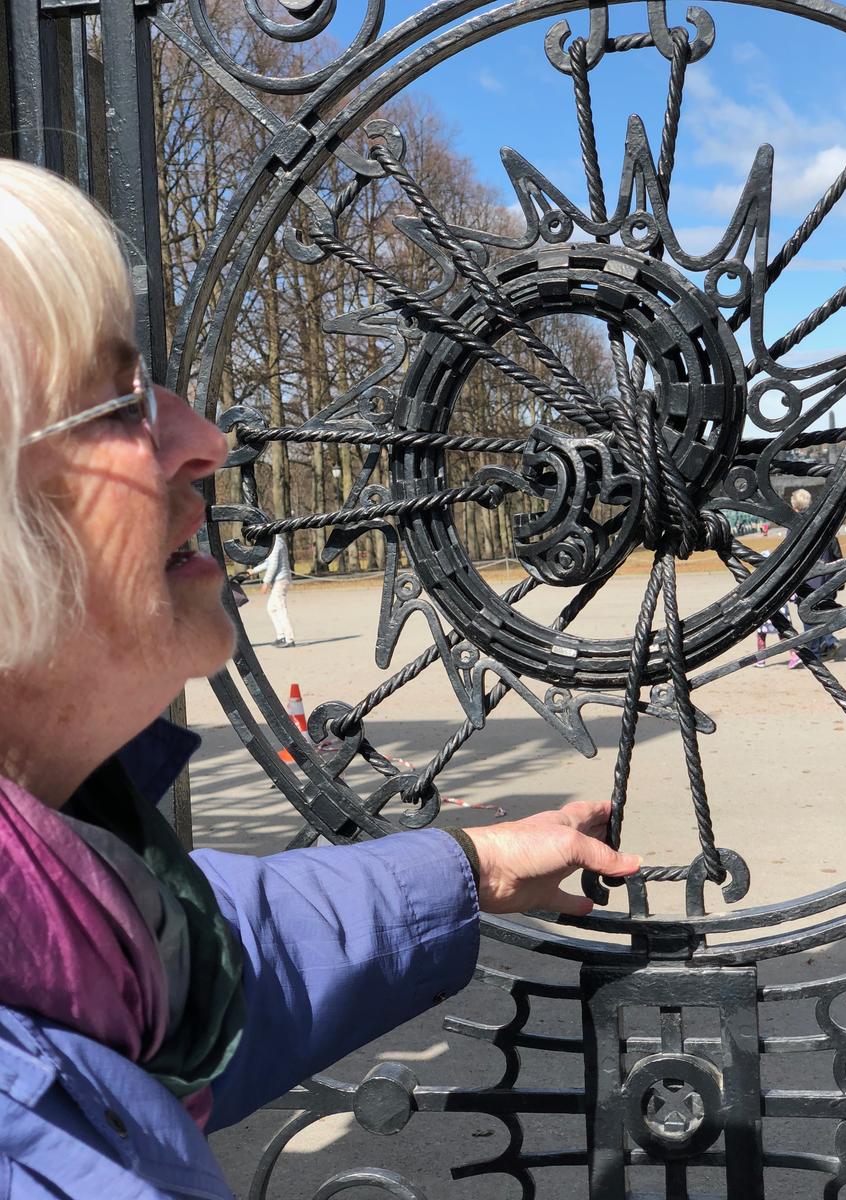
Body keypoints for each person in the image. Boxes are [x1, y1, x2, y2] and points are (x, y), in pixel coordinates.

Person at [0, 162, 642, 1198]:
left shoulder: (77, 892)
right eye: (120, 403)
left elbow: (203, 962)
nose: (205, 439)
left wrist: (469, 867)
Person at [788, 488, 840, 664]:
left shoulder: (794, 525)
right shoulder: (823, 520)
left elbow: (791, 557)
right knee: (823, 612)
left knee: (808, 617)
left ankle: (816, 653)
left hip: (808, 579)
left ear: (795, 506)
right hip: (826, 576)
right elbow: (835, 549)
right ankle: (829, 641)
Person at [247, 531, 295, 646]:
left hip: (280, 580)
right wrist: (254, 571)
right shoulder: (274, 542)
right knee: (271, 608)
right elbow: (268, 563)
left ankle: (289, 639)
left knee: (280, 609)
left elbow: (273, 564)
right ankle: (281, 636)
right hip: (279, 579)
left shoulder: (276, 543)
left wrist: (266, 582)